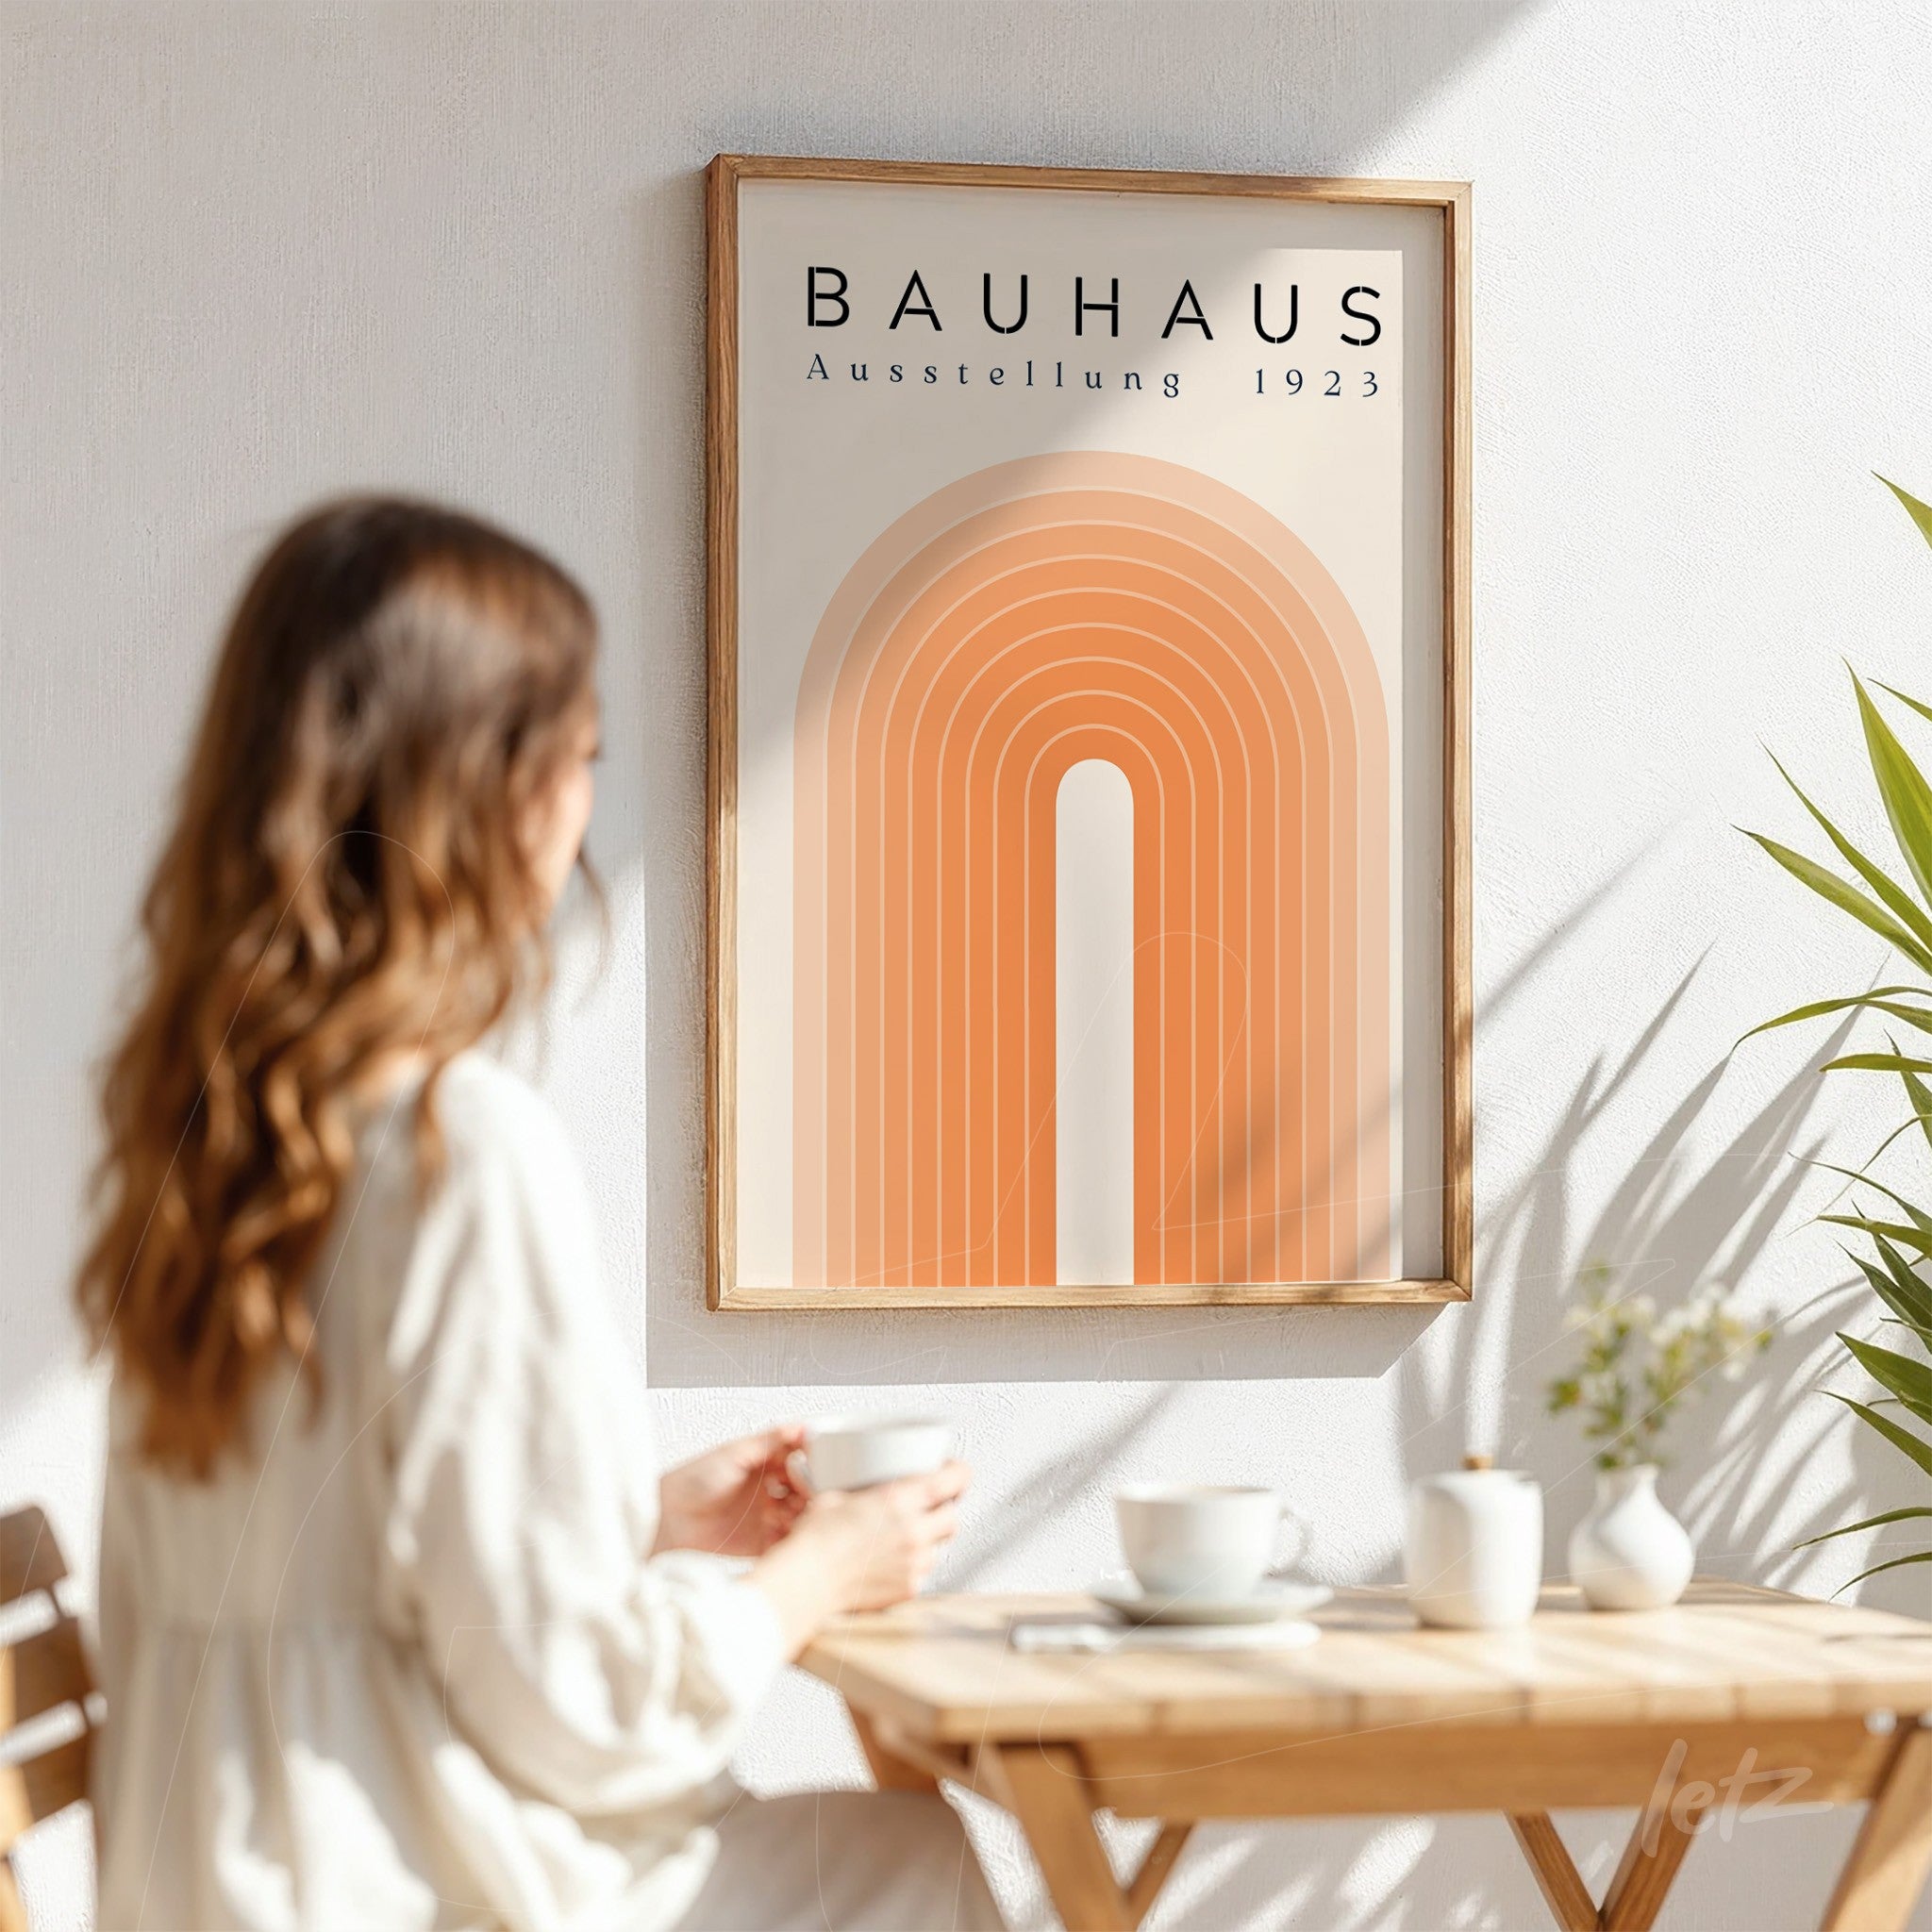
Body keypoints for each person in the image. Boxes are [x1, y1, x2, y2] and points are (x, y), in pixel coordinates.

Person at [76, 497, 1005, 1932]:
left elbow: (339, 1574)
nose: (584, 804)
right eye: (577, 758)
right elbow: (576, 1703)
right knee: (916, 1868)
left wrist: (634, 1524)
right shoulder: (456, 1153)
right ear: (485, 793)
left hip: (214, 1877)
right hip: (406, 1883)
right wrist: (816, 1575)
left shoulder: (203, 1144)